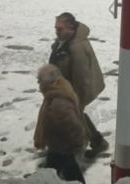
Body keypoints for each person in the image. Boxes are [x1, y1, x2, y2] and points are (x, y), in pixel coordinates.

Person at [48, 12, 108, 158]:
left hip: (75, 89)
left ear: (71, 28)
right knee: (76, 114)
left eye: (60, 29)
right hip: (65, 88)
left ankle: (73, 148)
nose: (56, 32)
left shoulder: (76, 47)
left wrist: (77, 98)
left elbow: (82, 77)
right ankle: (97, 142)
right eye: (56, 28)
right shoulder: (65, 41)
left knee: (73, 114)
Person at [33, 64, 87, 183]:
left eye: (40, 80)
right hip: (59, 147)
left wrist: (75, 145)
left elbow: (73, 126)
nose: (39, 84)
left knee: (56, 174)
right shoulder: (54, 96)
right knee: (59, 174)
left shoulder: (58, 102)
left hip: (62, 148)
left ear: (49, 82)